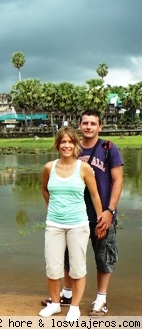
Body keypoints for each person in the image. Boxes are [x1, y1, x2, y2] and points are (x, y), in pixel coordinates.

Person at [41, 109, 124, 316]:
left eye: (93, 123)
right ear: (80, 126)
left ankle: (101, 299)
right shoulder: (74, 151)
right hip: (74, 215)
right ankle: (67, 294)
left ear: (99, 127)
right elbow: (51, 184)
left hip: (101, 214)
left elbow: (118, 180)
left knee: (103, 256)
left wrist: (109, 211)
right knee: (69, 258)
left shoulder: (108, 148)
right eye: (85, 123)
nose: (88, 127)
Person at [39, 126, 102, 322]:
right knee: (53, 267)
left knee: (77, 268)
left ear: (75, 144)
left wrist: (100, 219)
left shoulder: (83, 168)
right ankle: (56, 304)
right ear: (57, 145)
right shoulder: (49, 167)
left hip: (78, 225)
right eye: (63, 142)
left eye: (70, 142)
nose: (66, 145)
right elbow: (45, 190)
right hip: (54, 224)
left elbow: (94, 195)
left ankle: (74, 307)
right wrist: (52, 208)